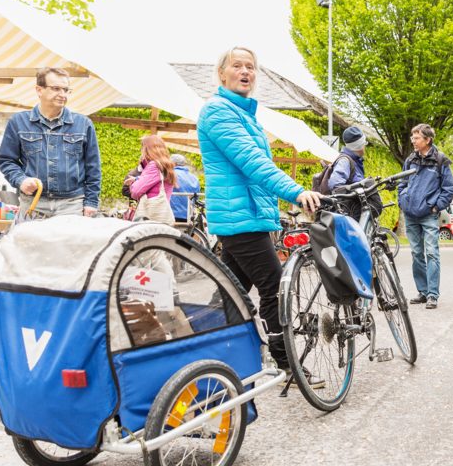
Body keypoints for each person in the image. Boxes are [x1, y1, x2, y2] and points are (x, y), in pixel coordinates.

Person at [197, 46, 321, 384]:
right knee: (274, 287)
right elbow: (253, 164)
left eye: (250, 67)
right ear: (221, 73)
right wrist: (297, 192)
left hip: (248, 216)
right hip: (240, 220)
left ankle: (199, 352)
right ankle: (288, 364)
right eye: (237, 66)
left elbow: (255, 173)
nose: (245, 72)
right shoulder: (218, 112)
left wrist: (277, 208)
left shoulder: (244, 114)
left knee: (230, 294)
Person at [0, 67, 101, 219]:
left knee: (67, 244)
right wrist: (21, 180)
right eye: (56, 88)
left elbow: (93, 168)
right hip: (33, 203)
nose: (62, 94)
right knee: (30, 243)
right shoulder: (18, 122)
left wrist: (91, 202)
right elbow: (6, 160)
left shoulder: (83, 124)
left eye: (66, 90)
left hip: (71, 205)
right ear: (39, 90)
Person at [398, 124, 453, 310]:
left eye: (417, 137)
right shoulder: (410, 160)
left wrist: (436, 207)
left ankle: (432, 295)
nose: (413, 140)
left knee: (431, 253)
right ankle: (422, 292)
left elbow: (448, 189)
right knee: (416, 254)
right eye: (412, 137)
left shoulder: (440, 160)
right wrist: (403, 201)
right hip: (410, 214)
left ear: (428, 139)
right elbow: (402, 183)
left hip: (429, 215)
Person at [128, 136, 177, 224]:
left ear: (147, 149)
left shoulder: (154, 165)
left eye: (142, 147)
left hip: (151, 216)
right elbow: (155, 182)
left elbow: (136, 191)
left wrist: (133, 182)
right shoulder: (166, 165)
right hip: (162, 213)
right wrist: (138, 178)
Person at [170, 154, 201, 222]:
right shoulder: (194, 178)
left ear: (173, 163)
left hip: (173, 214)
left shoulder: (170, 175)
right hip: (189, 215)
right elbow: (197, 197)